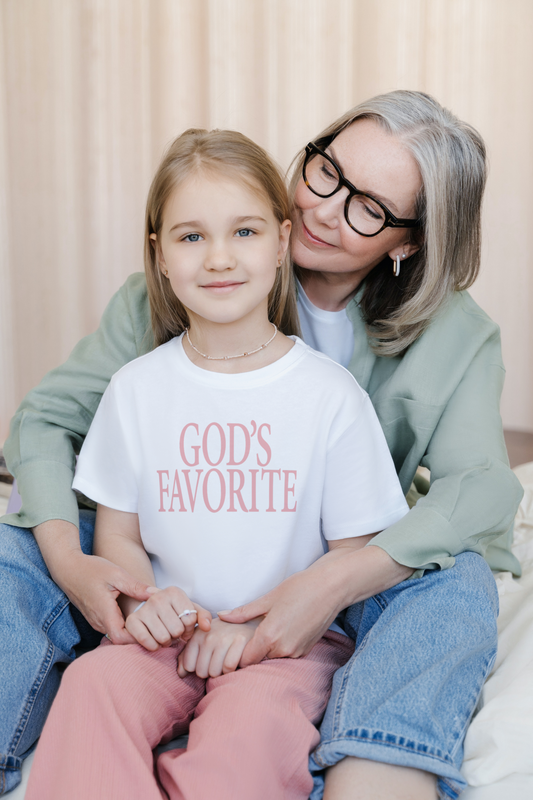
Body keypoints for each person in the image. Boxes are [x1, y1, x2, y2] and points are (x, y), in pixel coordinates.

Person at [0, 90, 523, 800]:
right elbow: (47, 422)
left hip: (334, 561)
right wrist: (75, 562)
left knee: (452, 577)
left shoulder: (444, 336)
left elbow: (482, 489)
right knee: (17, 548)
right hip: (168, 571)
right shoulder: (176, 295)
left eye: (367, 207)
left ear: (408, 240)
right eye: (323, 171)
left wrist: (323, 588)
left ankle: (378, 765)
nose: (322, 208)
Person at [24, 128, 408, 800]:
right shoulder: (136, 389)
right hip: (165, 637)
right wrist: (146, 602)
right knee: (90, 686)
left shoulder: (328, 395)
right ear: (160, 256)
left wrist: (254, 629)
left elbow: (352, 554)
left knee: (246, 735)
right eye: (191, 236)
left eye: (245, 232)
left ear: (283, 243)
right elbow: (118, 533)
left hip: (285, 648)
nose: (219, 258)